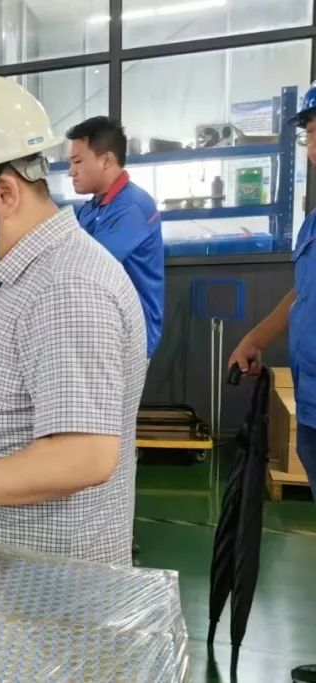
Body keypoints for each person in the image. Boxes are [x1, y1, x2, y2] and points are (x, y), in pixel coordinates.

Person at [0, 75, 147, 566]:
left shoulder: (66, 286)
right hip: (20, 574)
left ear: (5, 195)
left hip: (49, 584)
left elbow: (83, 454)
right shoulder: (22, 274)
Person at [226, 82, 316, 683]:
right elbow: (300, 294)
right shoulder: (313, 220)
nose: (312, 142)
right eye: (309, 131)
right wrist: (257, 337)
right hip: (312, 404)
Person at [68, 116, 165, 357]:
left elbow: (87, 266)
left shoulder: (133, 207)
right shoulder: (91, 207)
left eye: (78, 161)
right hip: (105, 325)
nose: (71, 172)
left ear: (106, 160)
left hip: (131, 336)